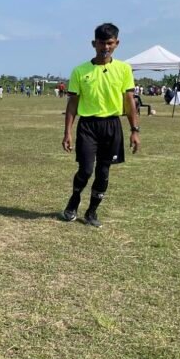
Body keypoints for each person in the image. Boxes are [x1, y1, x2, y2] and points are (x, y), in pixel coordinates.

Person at [62, 23, 140, 227]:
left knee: (103, 172)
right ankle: (74, 201)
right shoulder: (80, 71)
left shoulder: (123, 69)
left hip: (112, 125)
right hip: (88, 126)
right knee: (86, 170)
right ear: (93, 43)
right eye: (101, 43)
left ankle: (92, 212)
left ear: (117, 43)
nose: (105, 47)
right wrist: (67, 132)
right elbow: (72, 104)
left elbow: (129, 101)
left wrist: (134, 130)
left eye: (110, 43)